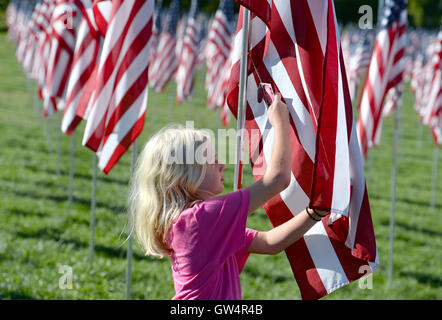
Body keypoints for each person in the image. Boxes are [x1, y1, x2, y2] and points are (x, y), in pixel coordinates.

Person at [128, 93, 329, 300]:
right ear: (187, 175)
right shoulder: (200, 219)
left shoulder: (197, 223)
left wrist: (314, 213)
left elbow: (269, 242)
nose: (222, 165)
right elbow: (277, 179)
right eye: (213, 161)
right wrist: (280, 123)